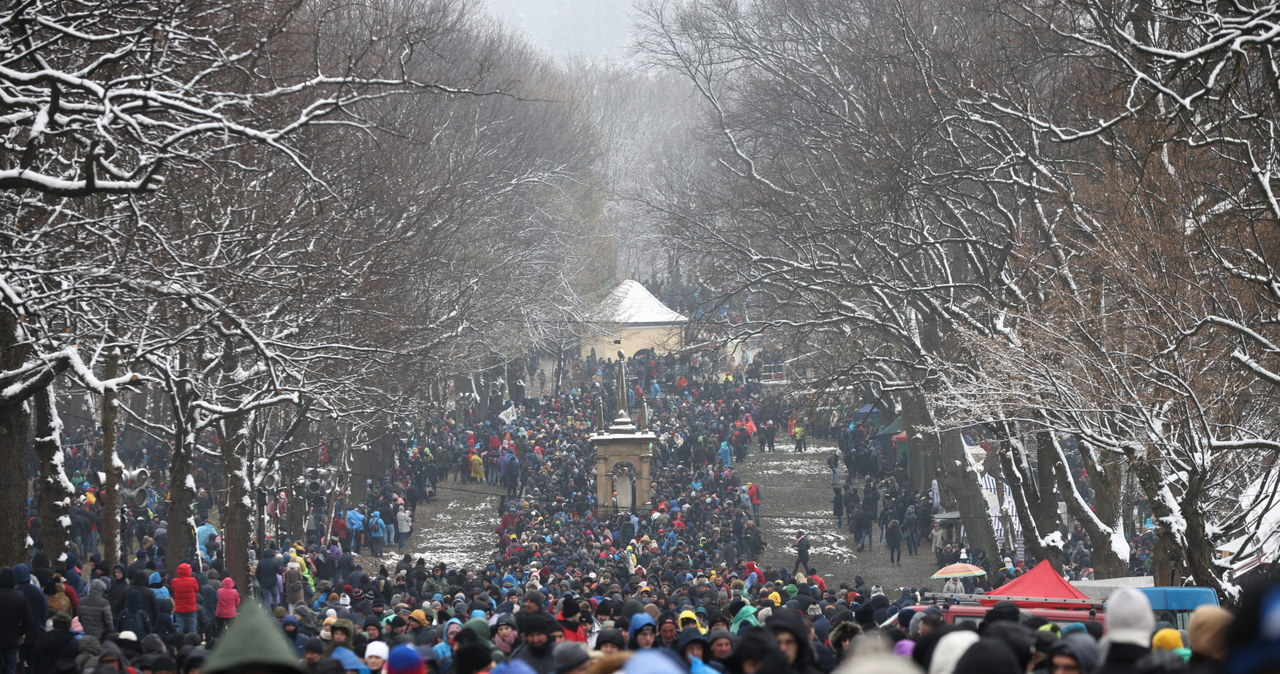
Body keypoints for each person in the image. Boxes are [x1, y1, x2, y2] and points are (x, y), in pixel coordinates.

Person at [0, 568, 35, 674]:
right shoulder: (19, 597)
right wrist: (20, 632)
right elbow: (29, 620)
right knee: (10, 668)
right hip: (12, 640)